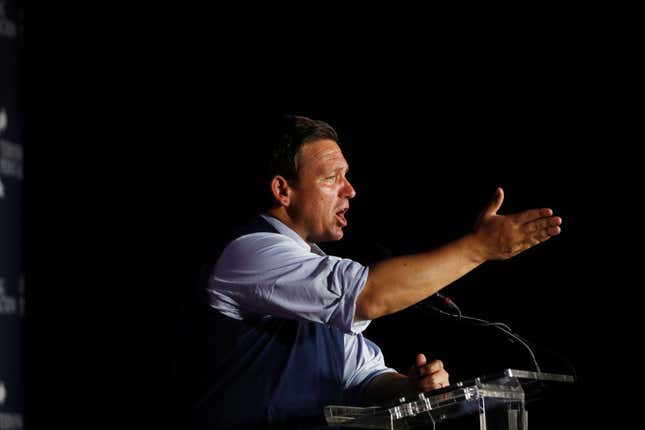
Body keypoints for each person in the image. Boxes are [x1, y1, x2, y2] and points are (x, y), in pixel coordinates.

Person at [170, 115, 562, 429]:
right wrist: (480, 248)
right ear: (282, 190)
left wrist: (408, 387)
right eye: (331, 177)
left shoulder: (310, 269)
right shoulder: (250, 252)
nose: (350, 190)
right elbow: (368, 295)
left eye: (347, 176)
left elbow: (360, 374)